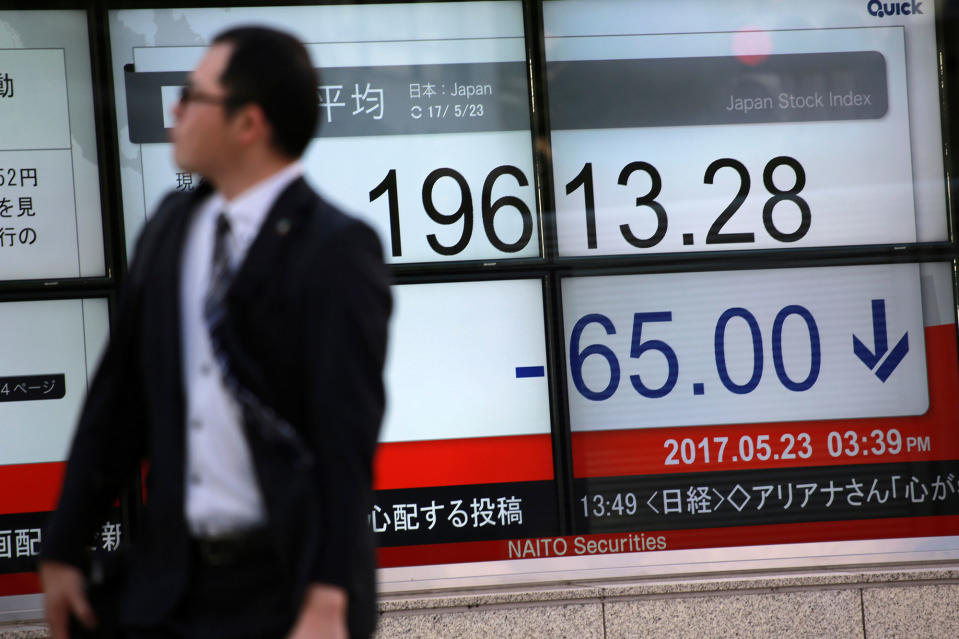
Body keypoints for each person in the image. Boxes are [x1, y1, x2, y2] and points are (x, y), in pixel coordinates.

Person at [38, 26, 391, 639]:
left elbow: (345, 437)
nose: (175, 110)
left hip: (288, 591)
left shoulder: (335, 249)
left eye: (193, 97)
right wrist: (65, 546)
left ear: (248, 124)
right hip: (172, 587)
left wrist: (329, 593)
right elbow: (118, 400)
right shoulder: (172, 228)